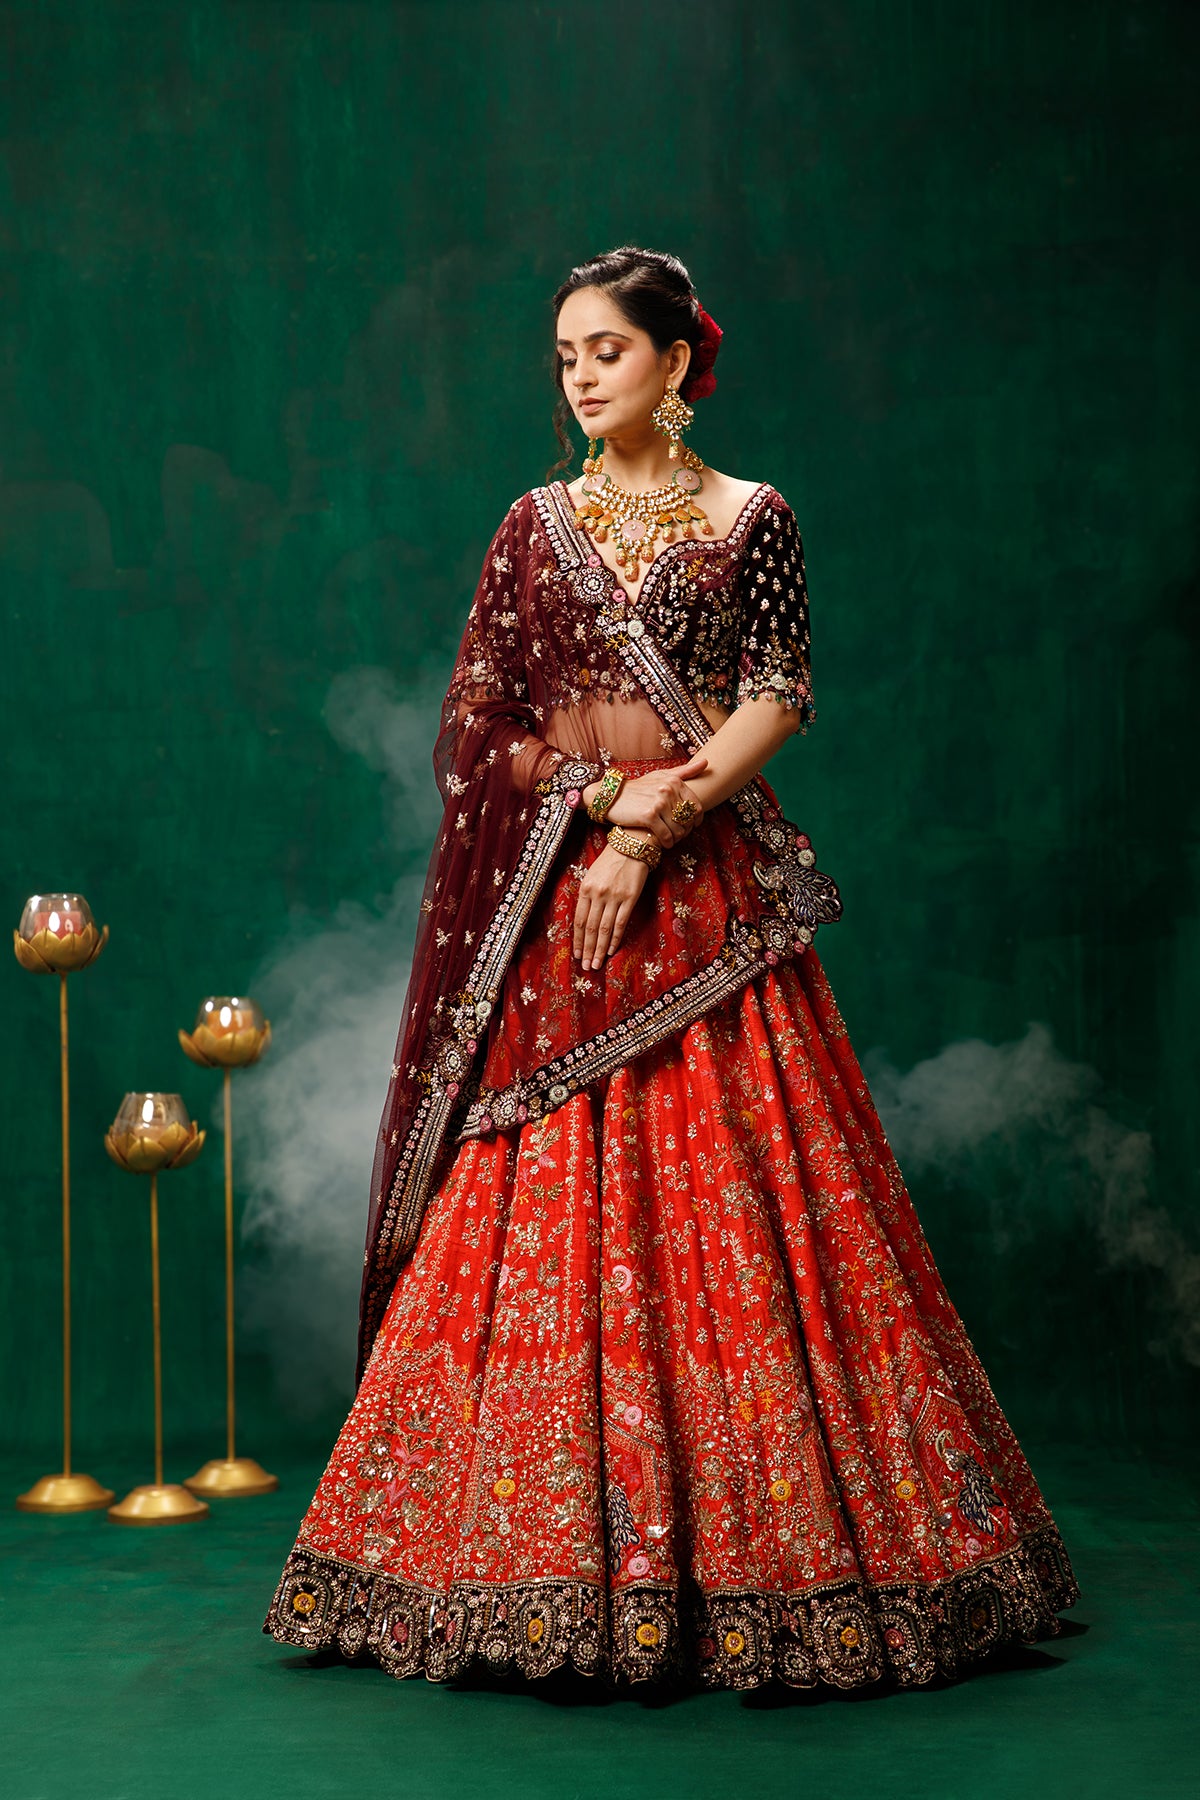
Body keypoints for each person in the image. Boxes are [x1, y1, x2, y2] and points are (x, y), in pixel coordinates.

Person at [263, 245, 1079, 1694]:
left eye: (608, 352)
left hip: (710, 906)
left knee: (766, 1206)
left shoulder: (752, 516)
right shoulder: (530, 527)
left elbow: (780, 696)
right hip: (561, 904)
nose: (581, 377)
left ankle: (774, 1573)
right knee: (530, 1207)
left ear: (679, 364)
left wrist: (663, 820)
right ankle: (513, 1567)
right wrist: (596, 807)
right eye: (565, 355)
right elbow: (475, 728)